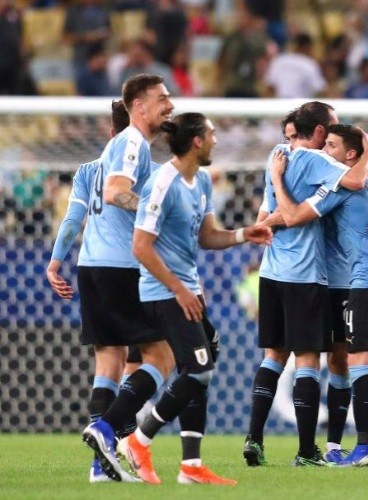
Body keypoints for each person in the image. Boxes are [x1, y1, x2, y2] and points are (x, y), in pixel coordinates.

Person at [116, 113, 272, 485]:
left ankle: (191, 466)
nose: (218, 140)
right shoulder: (162, 182)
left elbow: (207, 237)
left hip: (188, 289)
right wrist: (179, 289)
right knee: (199, 369)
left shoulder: (201, 180)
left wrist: (242, 235)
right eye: (213, 134)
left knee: (200, 368)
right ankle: (138, 440)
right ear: (198, 141)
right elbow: (141, 246)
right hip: (164, 291)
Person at [270, 123, 368, 467]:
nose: (323, 151)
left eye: (330, 146)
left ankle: (363, 449)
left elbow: (292, 216)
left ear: (349, 155)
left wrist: (275, 179)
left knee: (358, 363)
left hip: (365, 282)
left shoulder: (339, 185)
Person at [82, 74, 178, 483]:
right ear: (138, 106)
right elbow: (115, 192)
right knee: (163, 356)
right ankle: (105, 430)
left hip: (95, 262)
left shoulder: (123, 146)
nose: (169, 105)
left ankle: (101, 467)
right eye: (162, 98)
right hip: (119, 265)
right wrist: (155, 211)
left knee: (111, 362)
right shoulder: (132, 141)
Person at [46, 99, 138, 483]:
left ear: (109, 131)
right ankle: (122, 443)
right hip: (127, 268)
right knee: (152, 358)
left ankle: (100, 465)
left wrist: (54, 262)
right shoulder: (140, 166)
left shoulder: (87, 170)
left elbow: (72, 219)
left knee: (106, 365)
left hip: (89, 268)